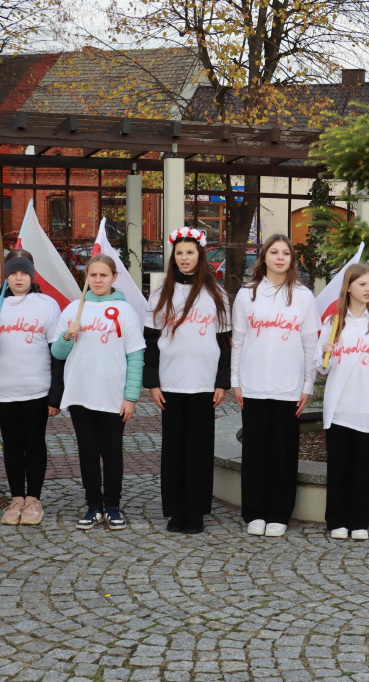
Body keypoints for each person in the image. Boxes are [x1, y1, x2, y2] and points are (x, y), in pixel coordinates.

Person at [144, 227, 231, 535]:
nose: (184, 258)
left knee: (199, 448)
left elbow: (224, 341)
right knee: (174, 448)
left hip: (204, 384)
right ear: (173, 256)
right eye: (179, 253)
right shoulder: (160, 293)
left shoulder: (215, 294)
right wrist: (152, 381)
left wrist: (222, 381)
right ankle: (176, 509)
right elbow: (152, 340)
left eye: (190, 253)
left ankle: (196, 511)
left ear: (200, 255)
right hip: (171, 383)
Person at [231, 234, 319, 538]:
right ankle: (254, 511)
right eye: (274, 252)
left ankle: (280, 513)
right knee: (255, 453)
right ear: (264, 257)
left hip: (289, 388)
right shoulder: (247, 294)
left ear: (292, 259)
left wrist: (308, 385)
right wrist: (235, 381)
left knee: (283, 454)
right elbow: (238, 341)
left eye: (286, 252)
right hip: (253, 386)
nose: (280, 257)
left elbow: (311, 344)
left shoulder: (304, 296)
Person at [0, 250, 62, 526]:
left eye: (24, 273)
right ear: (6, 276)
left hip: (37, 388)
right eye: (13, 273)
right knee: (11, 444)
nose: (19, 278)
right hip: (3, 388)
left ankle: (33, 499)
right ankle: (16, 498)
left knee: (34, 442)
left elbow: (58, 351)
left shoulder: (46, 304)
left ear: (32, 275)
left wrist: (56, 393)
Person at [52, 254, 145, 531]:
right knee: (88, 453)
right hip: (81, 394)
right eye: (93, 275)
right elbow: (57, 353)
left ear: (114, 278)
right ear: (86, 278)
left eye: (103, 275)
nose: (98, 280)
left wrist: (131, 396)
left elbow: (136, 355)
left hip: (113, 396)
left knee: (113, 453)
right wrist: (67, 336)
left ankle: (113, 506)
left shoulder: (125, 311)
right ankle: (94, 505)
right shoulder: (73, 309)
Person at [317, 264, 369, 541]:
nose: (368, 289)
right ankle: (337, 520)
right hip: (339, 409)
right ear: (348, 287)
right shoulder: (333, 323)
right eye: (362, 284)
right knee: (338, 468)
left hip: (366, 409)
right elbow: (321, 369)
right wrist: (324, 352)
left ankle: (360, 521)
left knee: (362, 469)